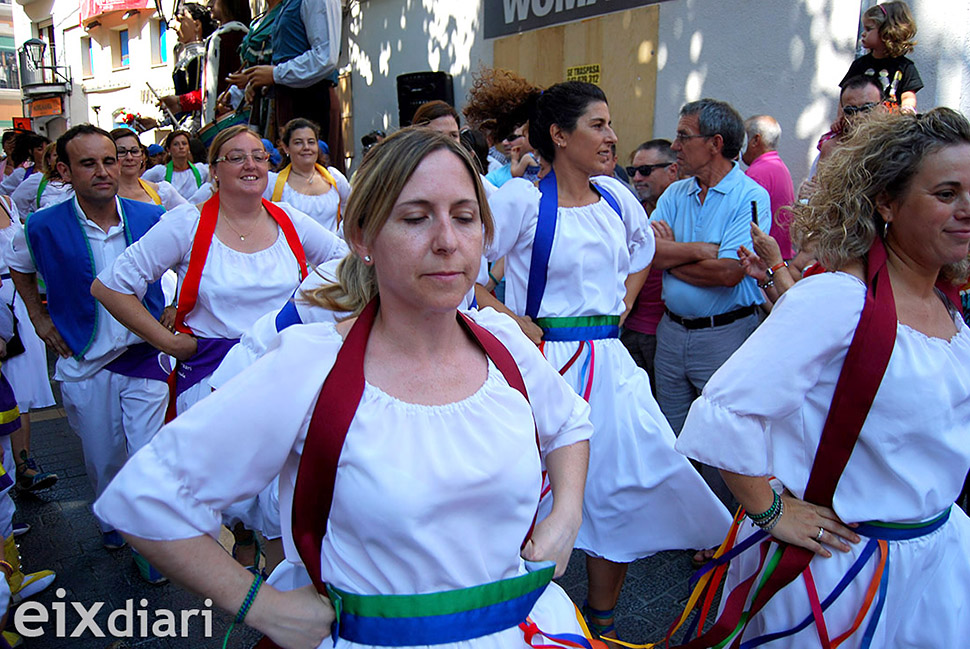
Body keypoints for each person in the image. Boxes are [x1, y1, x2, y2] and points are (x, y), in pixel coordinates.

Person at [93, 127, 597, 649]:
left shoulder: (504, 347)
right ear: (362, 238)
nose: (447, 240)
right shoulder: (311, 366)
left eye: (465, 217)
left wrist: (567, 513)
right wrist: (258, 604)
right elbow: (147, 496)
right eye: (415, 217)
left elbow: (569, 424)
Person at [675, 106, 970, 648]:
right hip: (847, 575)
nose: (966, 210)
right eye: (946, 193)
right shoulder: (838, 299)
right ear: (886, 202)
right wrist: (771, 512)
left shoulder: (950, 309)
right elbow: (725, 410)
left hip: (938, 561)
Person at [477, 77, 731, 639]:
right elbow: (470, 275)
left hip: (610, 365)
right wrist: (510, 318)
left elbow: (642, 254)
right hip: (542, 364)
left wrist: (625, 302)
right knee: (525, 490)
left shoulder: (616, 195)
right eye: (598, 125)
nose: (612, 136)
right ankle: (511, 620)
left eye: (610, 124)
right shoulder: (520, 199)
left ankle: (602, 622)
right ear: (559, 135)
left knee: (618, 488)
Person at [6, 125, 170, 584]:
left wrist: (171, 307)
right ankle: (111, 521)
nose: (103, 171)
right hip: (84, 360)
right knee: (103, 457)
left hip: (144, 356)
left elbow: (178, 265)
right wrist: (40, 322)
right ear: (64, 170)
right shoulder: (40, 225)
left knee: (147, 454)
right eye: (88, 163)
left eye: (109, 160)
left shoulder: (148, 217)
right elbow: (19, 269)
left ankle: (147, 542)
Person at [0, 196, 57, 493]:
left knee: (20, 389)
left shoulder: (6, 202)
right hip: (1, 303)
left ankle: (23, 465)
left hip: (18, 301)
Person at [230, 0, 341, 146]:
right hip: (289, 100)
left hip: (312, 102)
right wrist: (260, 80)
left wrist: (276, 74)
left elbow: (325, 57)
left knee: (311, 164)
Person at [622, 139, 679, 392]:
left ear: (672, 170)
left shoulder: (683, 210)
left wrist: (673, 251)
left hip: (663, 333)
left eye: (645, 170)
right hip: (628, 327)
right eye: (632, 171)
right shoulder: (632, 210)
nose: (637, 178)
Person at [160, 0, 250, 127]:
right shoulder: (222, 37)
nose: (209, 5)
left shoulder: (231, 35)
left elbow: (218, 88)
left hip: (226, 121)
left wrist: (181, 102)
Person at [264, 118, 350, 234]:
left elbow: (352, 211)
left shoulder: (335, 178)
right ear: (286, 148)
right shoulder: (273, 184)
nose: (306, 147)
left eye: (311, 142)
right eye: (298, 142)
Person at [840, 1, 921, 111]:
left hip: (890, 125)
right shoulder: (859, 65)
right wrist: (840, 117)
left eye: (869, 29)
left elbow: (908, 96)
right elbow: (845, 96)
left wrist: (907, 109)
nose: (863, 34)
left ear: (887, 32)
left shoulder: (905, 67)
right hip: (861, 122)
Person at [742, 115, 795, 260]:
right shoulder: (778, 167)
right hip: (779, 258)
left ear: (755, 140)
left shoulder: (757, 173)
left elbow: (746, 224)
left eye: (743, 139)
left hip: (763, 261)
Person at [159, 3, 217, 132]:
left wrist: (186, 132)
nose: (173, 26)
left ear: (197, 25)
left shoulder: (199, 57)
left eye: (180, 20)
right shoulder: (185, 57)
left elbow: (200, 104)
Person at [109, 129, 187, 211]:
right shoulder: (104, 197)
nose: (129, 157)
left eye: (134, 151)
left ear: (142, 155)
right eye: (121, 152)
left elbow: (190, 213)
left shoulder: (161, 191)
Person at [10, 142, 73, 218]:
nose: (59, 158)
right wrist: (29, 221)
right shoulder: (38, 179)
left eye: (63, 155)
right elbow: (16, 201)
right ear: (48, 159)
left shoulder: (77, 180)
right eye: (55, 155)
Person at [140, 130, 209, 200]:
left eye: (184, 143)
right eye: (176, 144)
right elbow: (141, 184)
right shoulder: (160, 172)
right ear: (168, 149)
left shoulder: (201, 170)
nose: (181, 147)